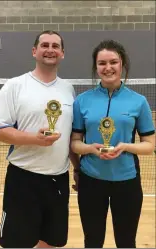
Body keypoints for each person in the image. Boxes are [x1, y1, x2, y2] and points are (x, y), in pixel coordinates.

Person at [0, 30, 79, 248]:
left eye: (55, 46)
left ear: (63, 53)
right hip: (24, 179)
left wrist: (77, 168)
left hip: (58, 179)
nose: (50, 50)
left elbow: (68, 134)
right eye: (45, 45)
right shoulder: (15, 86)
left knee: (51, 242)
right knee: (17, 243)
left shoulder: (68, 89)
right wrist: (34, 139)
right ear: (34, 51)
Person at [71, 39, 155, 248]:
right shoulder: (82, 101)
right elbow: (74, 143)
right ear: (95, 67)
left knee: (126, 241)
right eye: (102, 63)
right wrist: (90, 149)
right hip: (91, 181)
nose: (108, 68)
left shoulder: (139, 101)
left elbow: (149, 144)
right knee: (92, 241)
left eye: (113, 62)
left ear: (122, 64)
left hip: (127, 182)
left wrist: (125, 147)